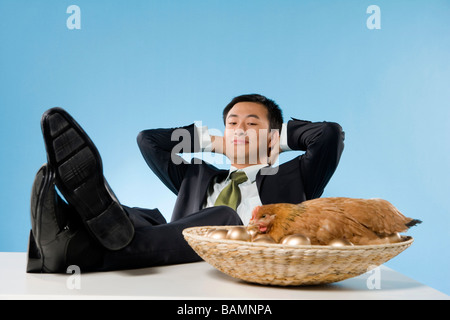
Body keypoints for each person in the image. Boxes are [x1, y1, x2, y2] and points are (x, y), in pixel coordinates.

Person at [27, 94, 345, 273]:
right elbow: (148, 141)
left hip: (246, 262)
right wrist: (212, 142)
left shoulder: (295, 177)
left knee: (224, 217)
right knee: (140, 216)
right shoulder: (196, 175)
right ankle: (66, 231)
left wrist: (280, 139)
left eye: (252, 124)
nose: (239, 129)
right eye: (232, 124)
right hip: (176, 259)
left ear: (271, 135)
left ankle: (75, 251)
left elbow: (327, 135)